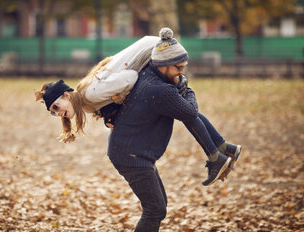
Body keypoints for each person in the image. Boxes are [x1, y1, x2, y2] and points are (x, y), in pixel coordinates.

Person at [35, 28, 241, 187]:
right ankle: (224, 148)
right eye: (54, 113)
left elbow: (130, 77)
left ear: (65, 95)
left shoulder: (90, 94)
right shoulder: (86, 102)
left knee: (181, 107)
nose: (57, 112)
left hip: (152, 53)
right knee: (181, 107)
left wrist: (126, 99)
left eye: (56, 106)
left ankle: (215, 157)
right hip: (150, 48)